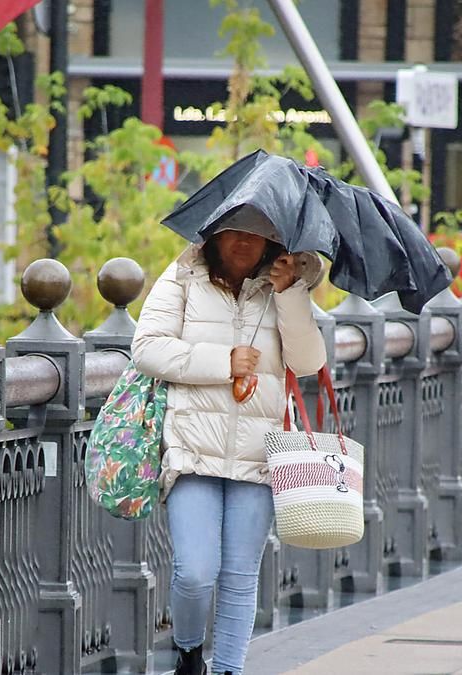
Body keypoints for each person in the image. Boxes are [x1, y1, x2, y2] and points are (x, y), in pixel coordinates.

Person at [132, 208, 328, 675]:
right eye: (234, 231)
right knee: (194, 572)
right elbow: (147, 348)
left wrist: (291, 293)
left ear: (273, 243)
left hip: (259, 454)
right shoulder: (184, 276)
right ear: (214, 235)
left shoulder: (284, 287)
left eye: (257, 234)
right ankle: (188, 652)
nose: (244, 241)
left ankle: (228, 669)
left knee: (240, 575)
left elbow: (307, 362)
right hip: (192, 452)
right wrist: (224, 362)